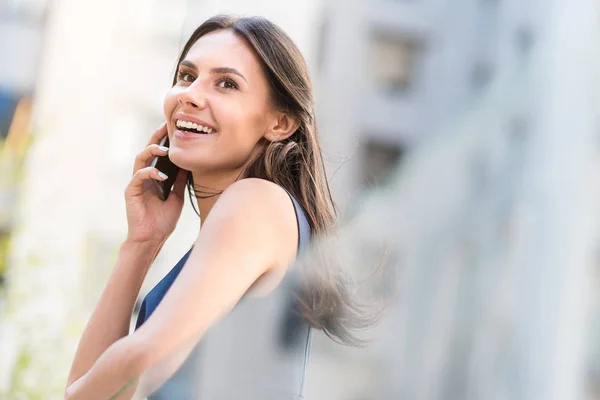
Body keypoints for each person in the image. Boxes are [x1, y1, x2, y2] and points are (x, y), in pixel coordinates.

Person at [64, 14, 375, 399]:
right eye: (186, 76)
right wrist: (142, 243)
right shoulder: (249, 218)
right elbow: (87, 383)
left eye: (226, 84)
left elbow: (142, 362)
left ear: (280, 123)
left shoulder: (257, 202)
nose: (190, 95)